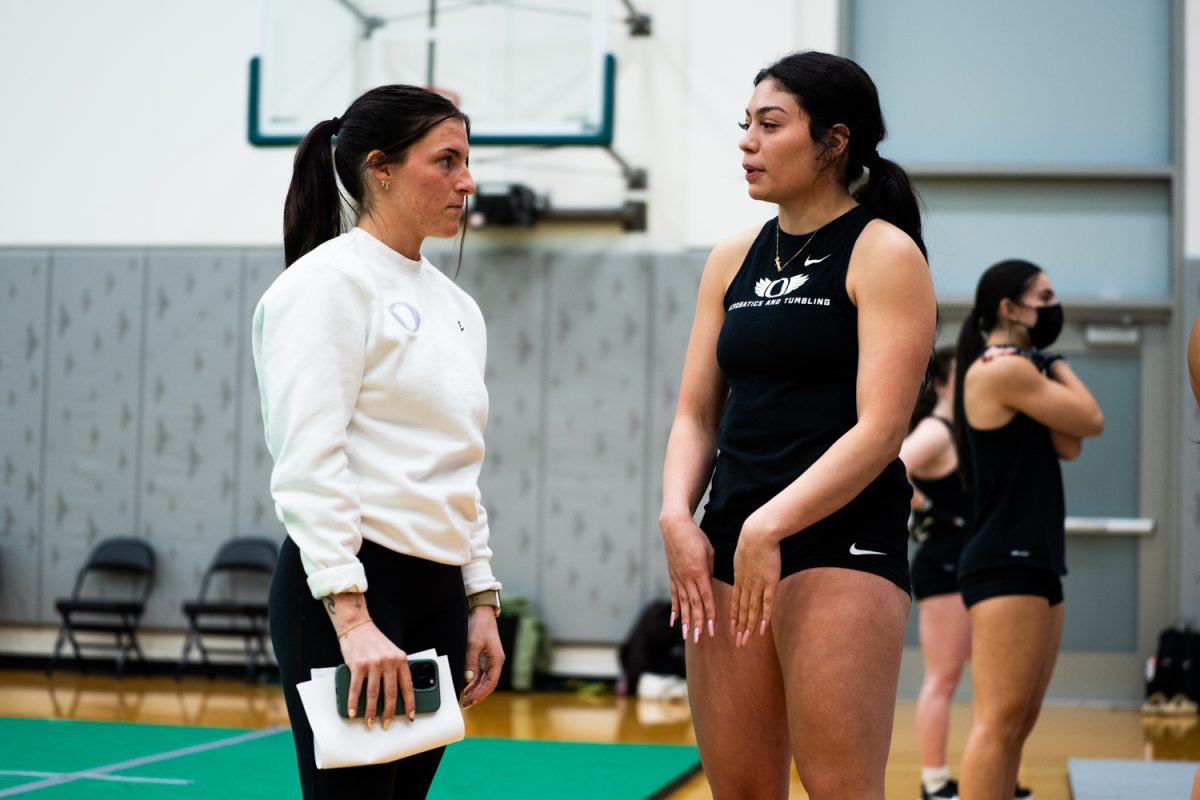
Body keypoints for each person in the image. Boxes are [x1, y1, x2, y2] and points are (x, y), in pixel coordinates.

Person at [659, 50, 936, 799]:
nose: (746, 141)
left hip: (837, 538)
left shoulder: (883, 252)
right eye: (745, 124)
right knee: (742, 789)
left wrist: (772, 525)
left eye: (770, 124)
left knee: (838, 785)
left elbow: (881, 429)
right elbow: (695, 413)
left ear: (834, 141)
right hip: (731, 536)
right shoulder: (730, 260)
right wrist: (676, 513)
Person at [252, 85, 505, 799]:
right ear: (381, 169)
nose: (467, 180)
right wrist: (353, 617)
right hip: (353, 591)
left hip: (434, 594)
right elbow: (308, 461)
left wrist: (479, 601)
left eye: (467, 160)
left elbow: (461, 467)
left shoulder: (460, 309)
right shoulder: (326, 286)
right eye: (446, 160)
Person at [953, 260, 1103, 800]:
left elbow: (1069, 443)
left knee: (1019, 722)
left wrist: (1041, 367)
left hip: (1037, 556)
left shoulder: (1021, 371)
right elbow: (1091, 419)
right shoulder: (1002, 371)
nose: (1052, 305)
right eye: (1043, 295)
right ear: (1009, 309)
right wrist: (1056, 365)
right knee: (997, 722)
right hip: (1004, 559)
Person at [901, 347, 973, 800]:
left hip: (965, 566)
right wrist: (926, 510)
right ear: (945, 381)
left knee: (977, 679)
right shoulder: (935, 430)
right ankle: (933, 782)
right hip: (942, 567)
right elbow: (893, 467)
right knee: (942, 679)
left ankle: (990, 776)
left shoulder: (960, 432)